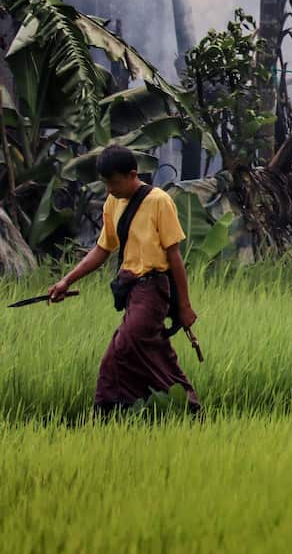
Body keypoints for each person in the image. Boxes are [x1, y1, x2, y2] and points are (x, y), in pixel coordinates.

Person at [48, 145, 200, 413]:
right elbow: (102, 249)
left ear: (132, 174)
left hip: (154, 289)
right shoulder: (113, 202)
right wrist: (67, 281)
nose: (109, 189)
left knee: (121, 349)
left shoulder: (159, 201)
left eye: (114, 182)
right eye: (105, 183)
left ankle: (107, 410)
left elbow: (174, 256)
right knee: (152, 352)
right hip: (132, 292)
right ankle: (186, 407)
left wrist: (184, 306)